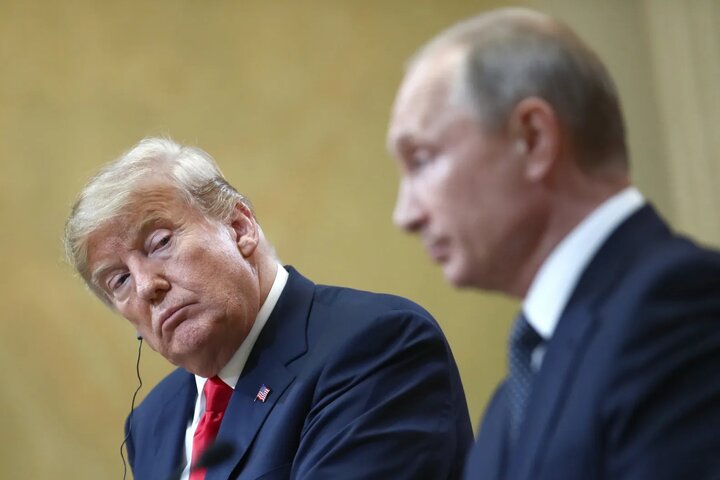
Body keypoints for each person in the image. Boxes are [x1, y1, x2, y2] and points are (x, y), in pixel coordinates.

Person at [387, 7, 720, 480]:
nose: (406, 215)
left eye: (422, 160)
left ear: (533, 139)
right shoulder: (510, 403)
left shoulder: (680, 306)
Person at [64, 137, 473, 480]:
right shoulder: (153, 421)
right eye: (119, 280)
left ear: (239, 228)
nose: (146, 286)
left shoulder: (377, 346)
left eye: (160, 243)